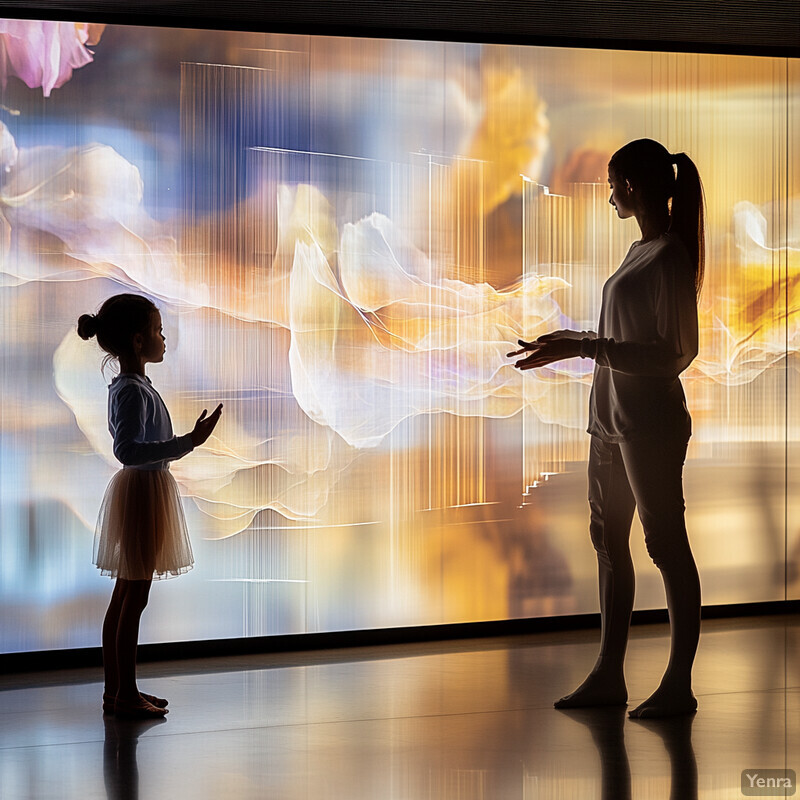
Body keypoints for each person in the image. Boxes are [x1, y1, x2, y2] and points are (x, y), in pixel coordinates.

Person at [508, 138, 704, 718]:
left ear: (635, 186)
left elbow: (674, 353)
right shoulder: (639, 251)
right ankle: (608, 675)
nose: (609, 194)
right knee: (608, 543)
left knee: (665, 545)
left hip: (650, 428)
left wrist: (585, 345)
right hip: (611, 424)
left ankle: (678, 683)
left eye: (613, 182)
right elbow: (623, 344)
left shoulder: (668, 255)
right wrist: (581, 348)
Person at [77, 294, 223, 718]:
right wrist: (188, 443)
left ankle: (120, 690)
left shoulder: (134, 387)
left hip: (145, 492)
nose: (164, 338)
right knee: (132, 596)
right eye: (158, 331)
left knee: (127, 593)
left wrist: (183, 444)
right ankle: (122, 694)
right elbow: (127, 449)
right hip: (142, 495)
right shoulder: (130, 392)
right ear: (139, 341)